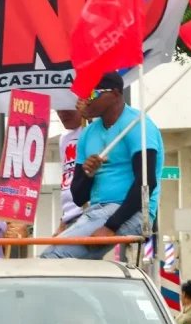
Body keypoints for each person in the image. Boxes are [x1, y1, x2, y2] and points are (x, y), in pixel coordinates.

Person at [41, 72, 163, 260]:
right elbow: (78, 197)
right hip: (96, 211)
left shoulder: (137, 125)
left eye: (92, 94)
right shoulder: (88, 134)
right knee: (71, 265)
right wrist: (87, 174)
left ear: (115, 94)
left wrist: (110, 227)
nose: (84, 101)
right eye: (82, 96)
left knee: (53, 256)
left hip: (131, 212)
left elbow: (147, 182)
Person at [56, 108, 84, 233]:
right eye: (58, 109)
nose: (62, 114)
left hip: (86, 212)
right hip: (68, 216)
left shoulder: (93, 131)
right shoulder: (64, 139)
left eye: (68, 108)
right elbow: (67, 179)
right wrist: (63, 221)